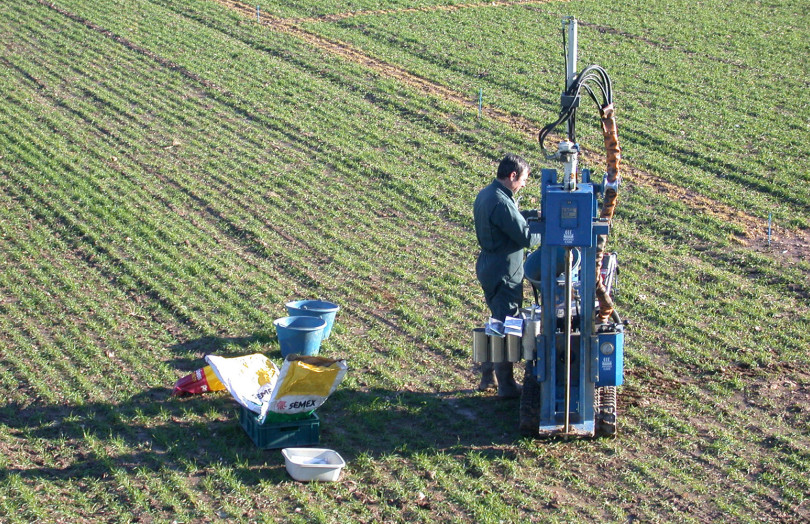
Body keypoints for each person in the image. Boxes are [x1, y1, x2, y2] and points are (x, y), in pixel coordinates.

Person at [473, 153, 541, 398]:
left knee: (497, 320)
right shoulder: (501, 202)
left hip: (490, 266)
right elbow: (524, 237)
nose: (523, 184)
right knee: (507, 324)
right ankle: (507, 386)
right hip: (504, 271)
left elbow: (511, 218)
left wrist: (531, 215)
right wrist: (546, 232)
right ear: (512, 176)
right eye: (523, 179)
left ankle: (486, 377)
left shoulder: (488, 194)